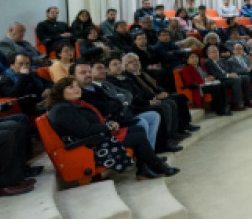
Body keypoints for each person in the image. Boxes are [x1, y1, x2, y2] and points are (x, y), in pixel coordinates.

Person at [46, 77, 178, 180]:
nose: (77, 89)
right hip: (89, 146)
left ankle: (146, 167)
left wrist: (108, 125)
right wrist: (108, 126)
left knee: (138, 129)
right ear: (60, 92)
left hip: (93, 139)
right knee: (137, 136)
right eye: (71, 87)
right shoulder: (62, 110)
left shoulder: (71, 105)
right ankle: (156, 165)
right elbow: (85, 130)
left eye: (77, 86)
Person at [120, 53, 199, 134]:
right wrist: (155, 97)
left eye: (136, 61)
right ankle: (172, 133)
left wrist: (162, 92)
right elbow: (140, 94)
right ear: (125, 66)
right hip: (146, 101)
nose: (135, 63)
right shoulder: (129, 78)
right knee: (169, 104)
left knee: (180, 97)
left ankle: (185, 125)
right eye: (131, 62)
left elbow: (155, 87)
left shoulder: (142, 73)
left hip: (154, 96)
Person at [204, 44, 251, 111]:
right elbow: (214, 74)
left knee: (245, 78)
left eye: (216, 51)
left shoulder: (222, 60)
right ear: (208, 54)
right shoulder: (208, 62)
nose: (216, 53)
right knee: (236, 80)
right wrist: (228, 75)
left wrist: (232, 74)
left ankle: (247, 100)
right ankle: (235, 104)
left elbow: (229, 69)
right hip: (220, 79)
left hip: (228, 77)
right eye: (213, 52)